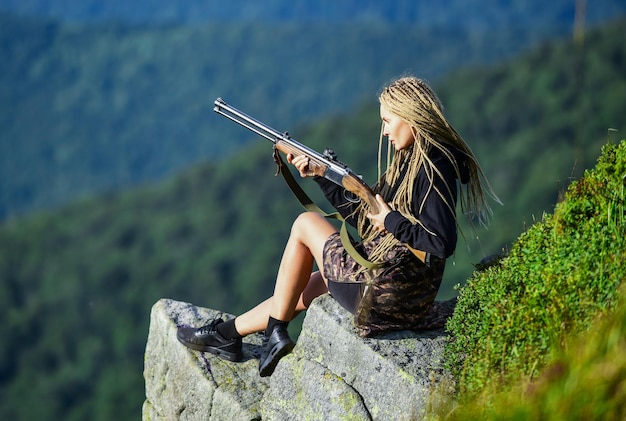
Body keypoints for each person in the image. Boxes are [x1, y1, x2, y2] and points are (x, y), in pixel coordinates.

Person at [177, 76, 497, 377]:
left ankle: (275, 331)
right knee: (312, 284)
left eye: (387, 120)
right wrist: (322, 176)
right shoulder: (419, 159)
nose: (384, 131)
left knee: (305, 223)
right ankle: (226, 335)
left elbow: (441, 243)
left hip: (383, 300)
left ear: (409, 116)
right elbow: (365, 224)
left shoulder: (433, 167)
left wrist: (390, 219)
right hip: (398, 299)